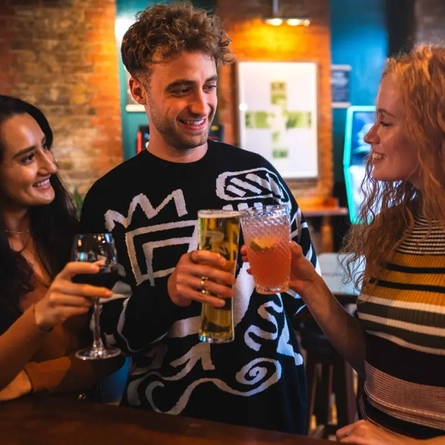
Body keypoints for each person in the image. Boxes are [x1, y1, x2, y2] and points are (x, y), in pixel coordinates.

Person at [79, 1, 318, 434]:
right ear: (138, 92)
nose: (201, 104)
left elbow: (304, 294)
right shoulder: (110, 199)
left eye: (209, 85)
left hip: (276, 409)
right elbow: (99, 332)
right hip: (167, 420)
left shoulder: (259, 175)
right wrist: (168, 294)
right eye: (180, 89)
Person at [275, 45, 445, 443]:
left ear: (433, 129)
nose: (370, 135)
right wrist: (309, 284)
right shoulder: (394, 227)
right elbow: (374, 361)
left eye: (385, 122)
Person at [0, 95, 123, 401]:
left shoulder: (72, 235)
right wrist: (39, 317)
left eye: (46, 146)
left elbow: (115, 348)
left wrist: (31, 377)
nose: (50, 166)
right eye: (28, 158)